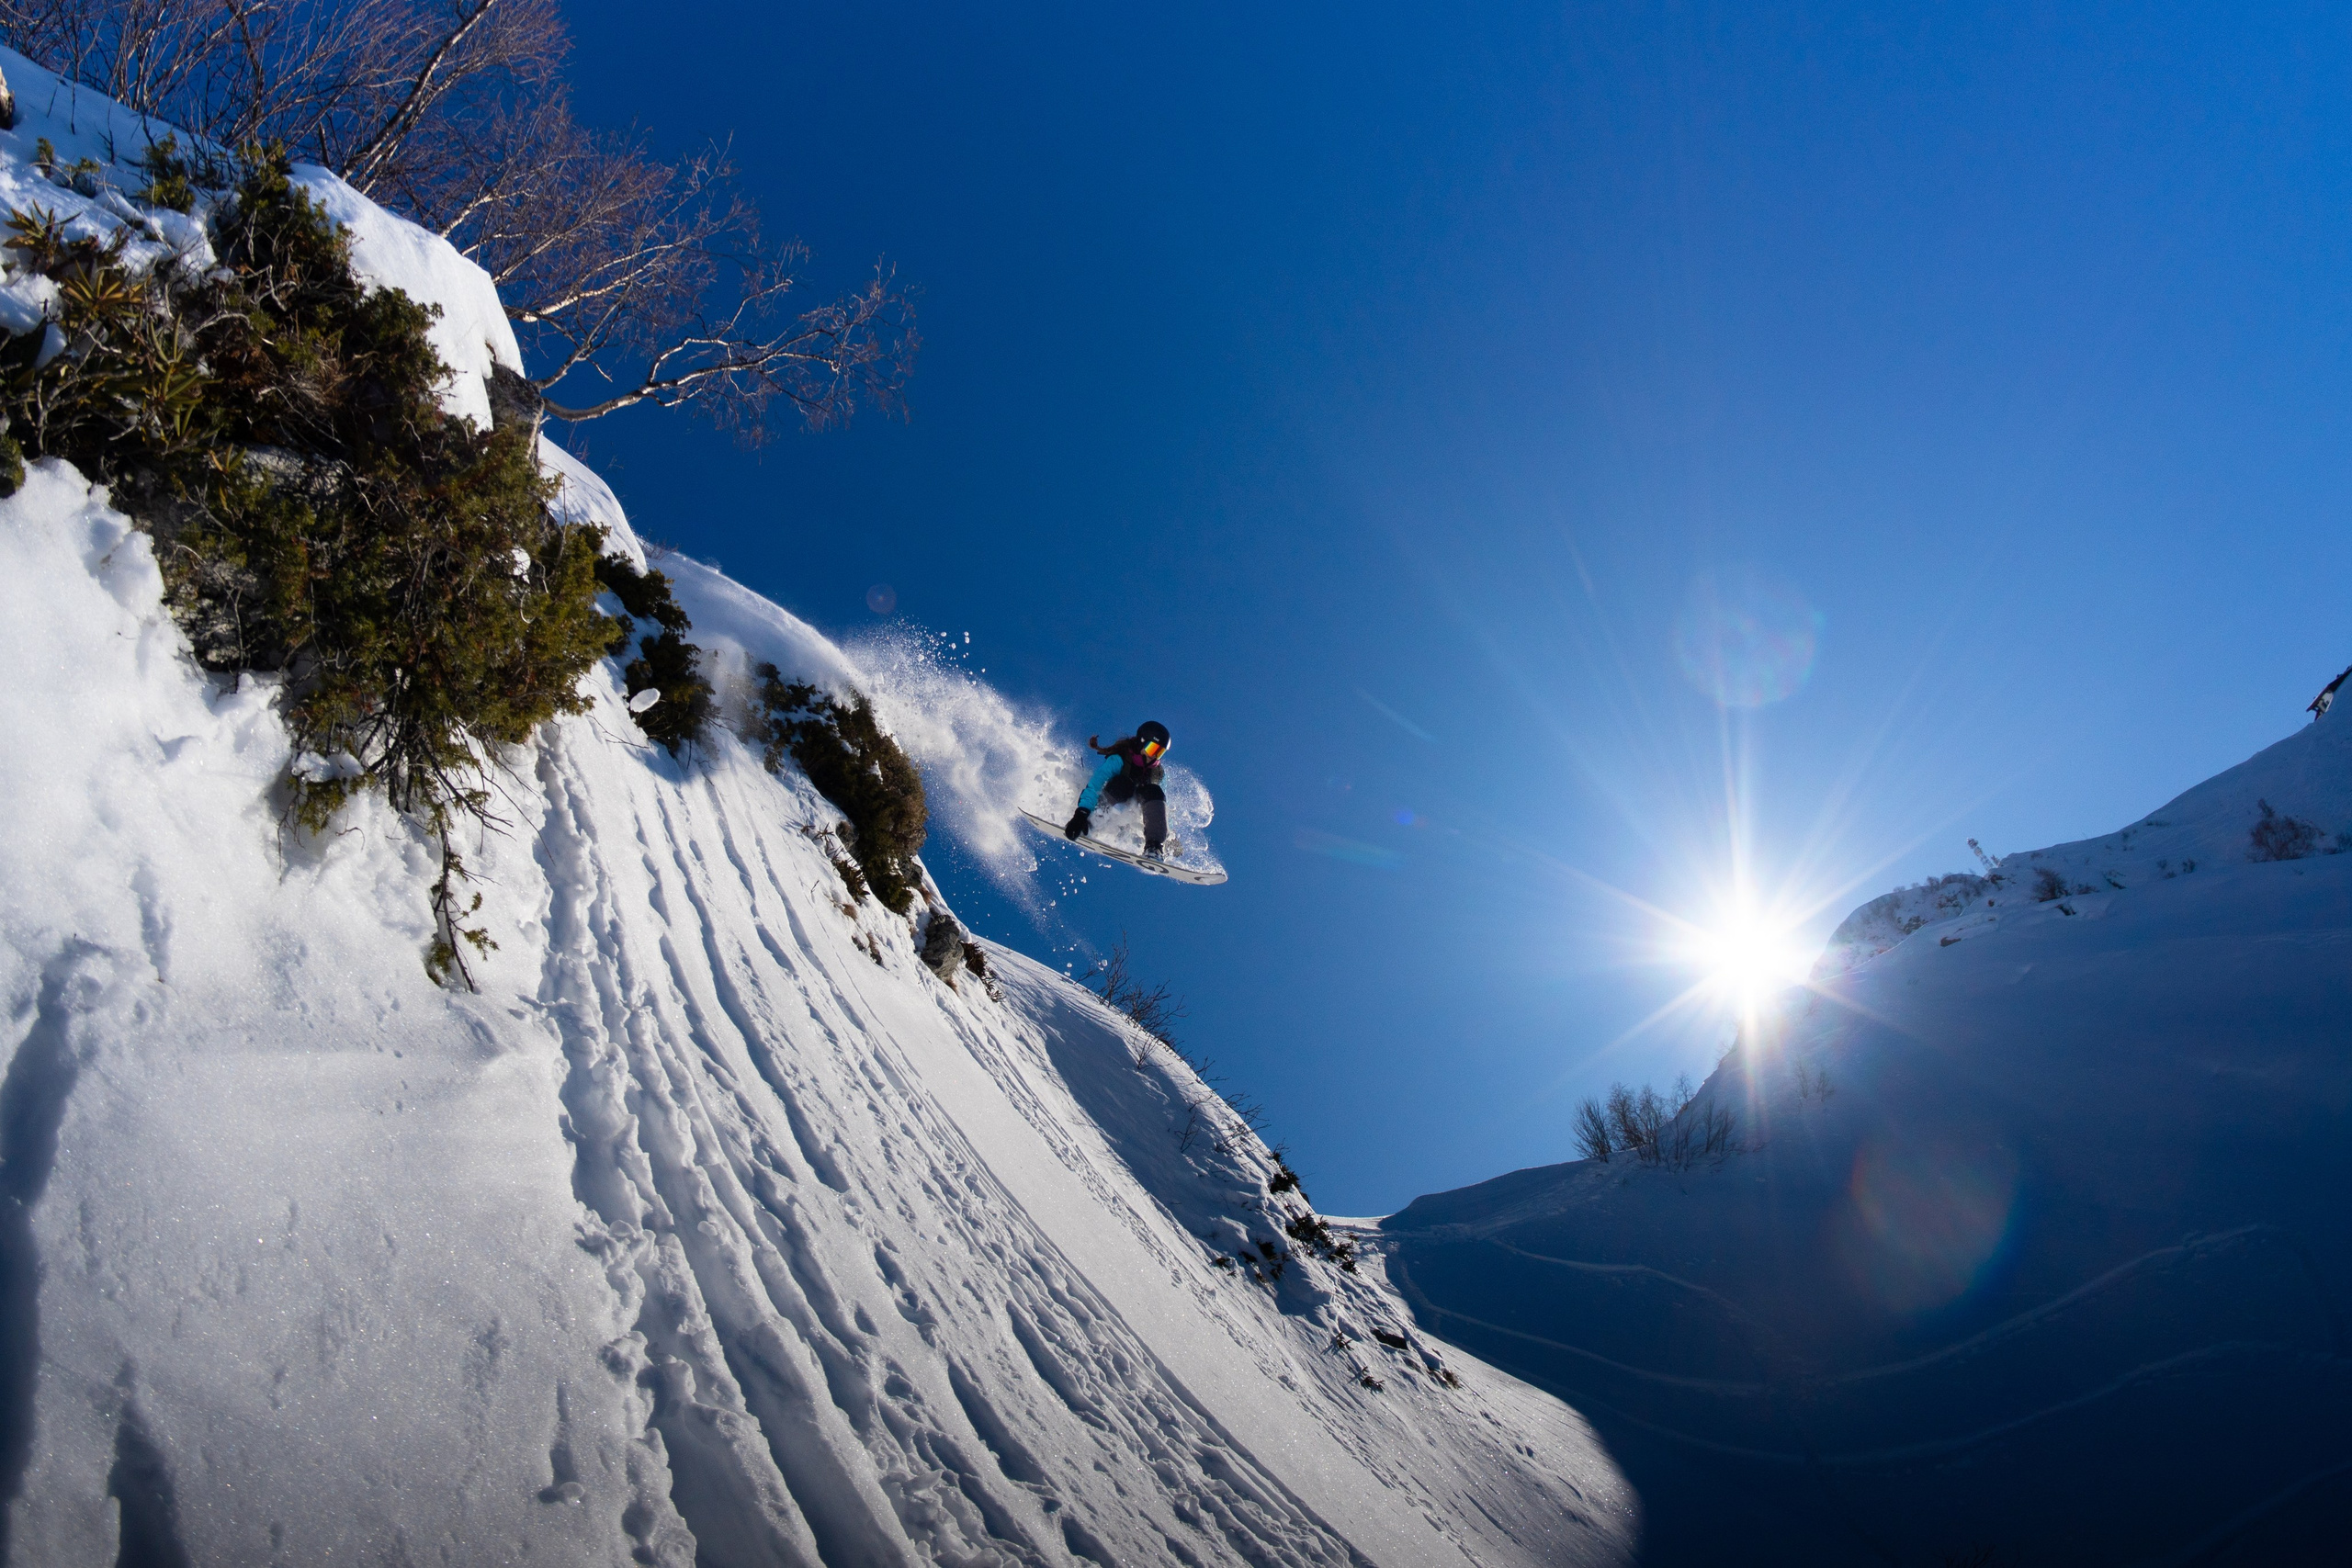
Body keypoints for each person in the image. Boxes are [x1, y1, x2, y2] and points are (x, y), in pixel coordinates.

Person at [1065, 721, 1171, 856]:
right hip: (1105, 805)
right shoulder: (1119, 759)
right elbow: (1095, 784)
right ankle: (1092, 822)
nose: (1153, 756)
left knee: (1154, 791)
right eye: (1152, 749)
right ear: (1141, 742)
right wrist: (1081, 815)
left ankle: (1154, 847)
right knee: (1124, 784)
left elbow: (1161, 808)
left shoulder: (1156, 773)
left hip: (1125, 822)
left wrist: (1170, 838)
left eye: (1159, 753)